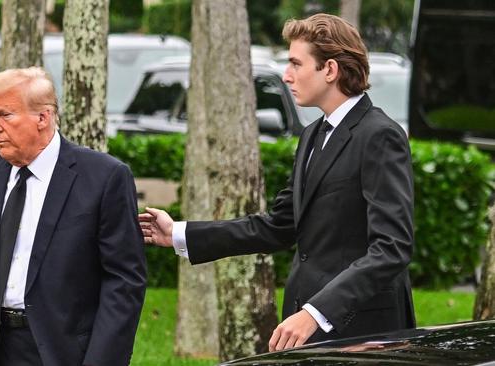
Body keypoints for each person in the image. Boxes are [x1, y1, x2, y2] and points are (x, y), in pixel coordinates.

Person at [140, 13, 415, 351]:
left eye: (295, 64)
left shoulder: (380, 135)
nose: (286, 76)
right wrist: (179, 234)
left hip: (363, 331)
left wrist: (316, 312)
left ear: (330, 69)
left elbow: (392, 248)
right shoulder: (312, 135)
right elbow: (277, 226)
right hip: (304, 325)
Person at [0, 67, 146, 366]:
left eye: (5, 115)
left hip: (63, 352)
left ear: (43, 117)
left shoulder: (104, 177)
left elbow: (124, 283)